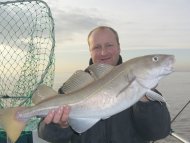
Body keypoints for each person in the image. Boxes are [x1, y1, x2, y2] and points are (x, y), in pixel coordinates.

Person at [38, 26, 171, 143]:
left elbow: (159, 132)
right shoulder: (72, 89)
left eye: (109, 45)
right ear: (90, 51)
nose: (103, 52)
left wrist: (145, 101)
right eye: (96, 47)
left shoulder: (146, 92)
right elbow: (46, 134)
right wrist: (60, 126)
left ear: (119, 47)